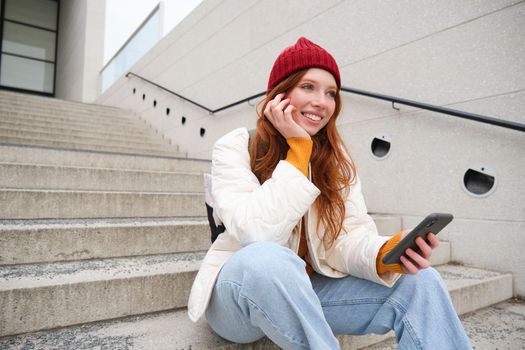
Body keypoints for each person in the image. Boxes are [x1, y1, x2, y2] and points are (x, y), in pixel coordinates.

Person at [188, 37, 471, 349]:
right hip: (239, 295)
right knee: (268, 259)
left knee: (421, 282)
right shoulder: (236, 146)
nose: (322, 101)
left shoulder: (337, 161)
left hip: (308, 295)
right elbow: (256, 233)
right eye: (308, 87)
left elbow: (345, 239)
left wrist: (383, 255)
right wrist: (298, 151)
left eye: (331, 93)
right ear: (280, 93)